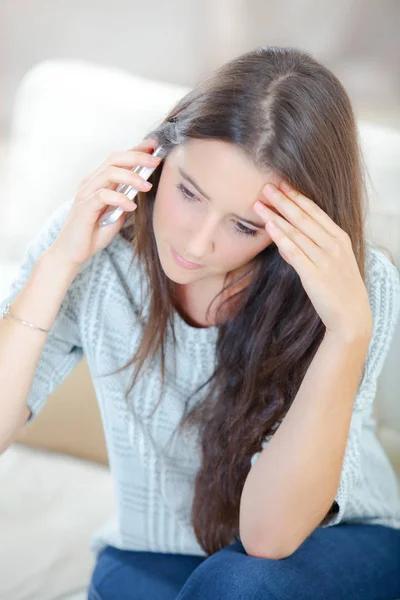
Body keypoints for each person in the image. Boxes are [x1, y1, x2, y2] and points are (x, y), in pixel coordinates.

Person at [1, 45, 399, 600]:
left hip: (332, 543)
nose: (196, 241)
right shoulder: (92, 243)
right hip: (154, 553)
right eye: (188, 192)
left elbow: (269, 537)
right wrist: (58, 263)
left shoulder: (351, 289)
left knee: (240, 583)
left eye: (242, 225)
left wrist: (347, 334)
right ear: (157, 156)